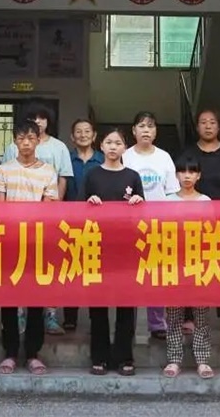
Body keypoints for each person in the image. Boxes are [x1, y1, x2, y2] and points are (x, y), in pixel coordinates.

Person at [0, 120, 59, 375]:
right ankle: (9, 352)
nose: (26, 143)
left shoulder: (48, 172)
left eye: (31, 138)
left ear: (38, 140)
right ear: (14, 141)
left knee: (36, 300)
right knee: (8, 300)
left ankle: (32, 353)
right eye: (21, 138)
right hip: (10, 242)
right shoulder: (3, 170)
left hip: (37, 242)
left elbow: (49, 208)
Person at [4, 104, 74, 335]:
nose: (38, 122)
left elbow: (63, 178)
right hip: (17, 221)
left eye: (42, 118)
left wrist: (53, 208)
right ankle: (19, 314)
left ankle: (50, 315)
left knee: (48, 266)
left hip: (48, 217)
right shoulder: (11, 148)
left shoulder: (58, 147)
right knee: (19, 267)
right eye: (33, 118)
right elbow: (6, 178)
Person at [84, 128, 145, 376]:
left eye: (117, 143)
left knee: (126, 307)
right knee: (98, 307)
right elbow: (77, 210)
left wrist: (138, 203)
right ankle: (99, 356)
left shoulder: (132, 176)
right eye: (108, 142)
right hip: (97, 248)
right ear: (101, 146)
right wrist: (90, 204)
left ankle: (124, 357)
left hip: (126, 250)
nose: (112, 147)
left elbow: (143, 214)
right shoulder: (92, 175)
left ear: (124, 148)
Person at [181, 108, 220, 333]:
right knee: (192, 267)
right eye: (203, 122)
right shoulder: (188, 153)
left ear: (219, 126)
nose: (208, 126)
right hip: (193, 220)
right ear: (197, 127)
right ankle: (189, 316)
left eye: (212, 122)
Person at [122, 110, 177, 340]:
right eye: (142, 126)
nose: (146, 130)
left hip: (158, 226)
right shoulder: (125, 156)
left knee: (156, 275)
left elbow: (172, 192)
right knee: (128, 275)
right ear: (134, 130)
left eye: (151, 126)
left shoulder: (164, 157)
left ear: (156, 131)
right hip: (129, 226)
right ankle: (127, 324)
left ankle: (157, 324)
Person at [162, 155, 214, 379]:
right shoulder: (167, 201)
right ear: (176, 175)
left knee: (201, 314)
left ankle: (202, 360)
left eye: (192, 172)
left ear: (199, 175)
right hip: (174, 263)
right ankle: (174, 359)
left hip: (199, 263)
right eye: (182, 172)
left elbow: (211, 232)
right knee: (174, 314)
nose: (187, 176)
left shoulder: (206, 201)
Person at [63, 118, 103, 333]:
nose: (83, 135)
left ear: (94, 136)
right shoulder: (66, 159)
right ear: (72, 136)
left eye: (87, 131)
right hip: (71, 222)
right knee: (72, 269)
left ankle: (96, 316)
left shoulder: (103, 159)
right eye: (78, 131)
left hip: (99, 224)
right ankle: (70, 316)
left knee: (95, 270)